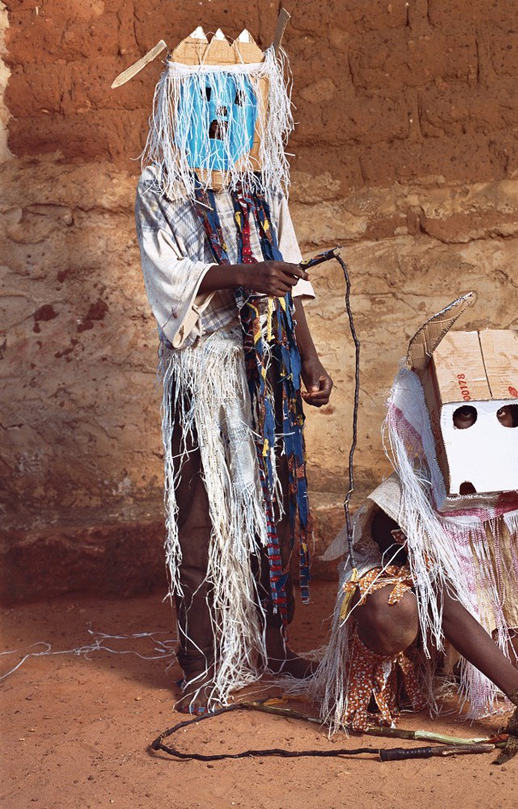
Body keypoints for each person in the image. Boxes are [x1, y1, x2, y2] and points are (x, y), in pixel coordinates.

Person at [311, 294, 518, 761]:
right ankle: (422, 674)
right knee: (388, 612)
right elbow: (442, 599)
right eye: (465, 414)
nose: (489, 428)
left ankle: (471, 669)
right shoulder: (407, 499)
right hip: (427, 625)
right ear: (435, 421)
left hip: (490, 617)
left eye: (505, 412)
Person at [129, 25, 332, 714]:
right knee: (200, 515)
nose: (221, 114)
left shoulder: (262, 184)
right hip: (204, 371)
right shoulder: (160, 187)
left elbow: (292, 274)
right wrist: (247, 273)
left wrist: (310, 355)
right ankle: (197, 660)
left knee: (271, 506)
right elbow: (171, 279)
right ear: (181, 106)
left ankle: (271, 646)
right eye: (207, 100)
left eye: (235, 101)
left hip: (266, 368)